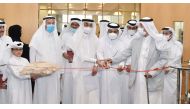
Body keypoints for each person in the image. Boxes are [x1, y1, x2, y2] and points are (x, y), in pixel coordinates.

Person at [97, 17, 168, 104]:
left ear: (149, 27)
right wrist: (112, 60)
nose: (140, 29)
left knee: (153, 101)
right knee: (139, 100)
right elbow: (125, 53)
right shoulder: (136, 41)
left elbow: (164, 59)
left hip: (152, 78)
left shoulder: (159, 40)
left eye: (142, 26)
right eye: (140, 26)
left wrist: (152, 72)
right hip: (138, 78)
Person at [29, 16, 63, 104]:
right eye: (49, 23)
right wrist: (33, 70)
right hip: (41, 73)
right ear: (44, 24)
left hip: (54, 73)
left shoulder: (56, 38)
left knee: (53, 94)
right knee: (42, 94)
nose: (51, 25)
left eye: (53, 23)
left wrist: (60, 72)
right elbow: (32, 54)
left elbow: (59, 55)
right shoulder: (37, 37)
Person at [69, 19, 99, 104]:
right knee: (80, 94)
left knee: (92, 95)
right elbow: (81, 56)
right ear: (82, 25)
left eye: (90, 25)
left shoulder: (96, 39)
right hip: (80, 71)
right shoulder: (75, 38)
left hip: (92, 71)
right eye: (86, 25)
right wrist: (96, 61)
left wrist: (96, 65)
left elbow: (98, 54)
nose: (88, 27)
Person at [97, 22, 123, 104]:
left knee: (116, 93)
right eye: (111, 31)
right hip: (104, 70)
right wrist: (103, 61)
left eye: (115, 31)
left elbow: (123, 56)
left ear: (118, 32)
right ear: (107, 31)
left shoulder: (121, 43)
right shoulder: (101, 41)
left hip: (116, 71)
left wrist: (121, 65)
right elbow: (99, 52)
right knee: (104, 91)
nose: (113, 33)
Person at [60, 18, 81, 104]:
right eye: (73, 24)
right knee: (67, 82)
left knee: (77, 82)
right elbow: (59, 47)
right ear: (70, 25)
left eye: (77, 25)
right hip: (66, 62)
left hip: (78, 62)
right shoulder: (64, 35)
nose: (75, 26)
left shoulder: (82, 35)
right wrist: (63, 53)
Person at [160, 27, 183, 104]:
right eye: (163, 33)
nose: (165, 35)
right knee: (163, 93)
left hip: (173, 72)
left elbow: (177, 57)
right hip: (163, 72)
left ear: (171, 34)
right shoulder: (161, 44)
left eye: (166, 33)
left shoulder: (177, 44)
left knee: (173, 93)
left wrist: (169, 67)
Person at [119, 19, 138, 104]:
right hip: (124, 70)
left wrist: (133, 65)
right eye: (129, 27)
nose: (131, 29)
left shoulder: (140, 39)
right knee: (125, 91)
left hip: (136, 69)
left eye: (134, 28)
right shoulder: (122, 40)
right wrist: (123, 64)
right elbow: (121, 54)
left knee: (135, 92)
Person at [0, 20, 12, 104]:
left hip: (5, 69)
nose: (1, 29)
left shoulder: (8, 39)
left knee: (4, 92)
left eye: (2, 27)